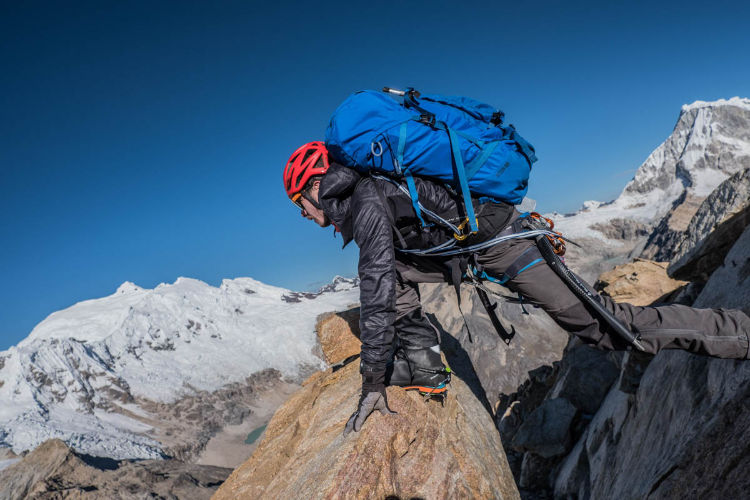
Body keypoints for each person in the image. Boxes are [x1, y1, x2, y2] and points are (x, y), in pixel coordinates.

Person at [283, 141, 750, 436]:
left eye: (300, 204)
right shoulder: (374, 190)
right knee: (398, 274)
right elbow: (395, 273)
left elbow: (377, 284)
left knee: (610, 327)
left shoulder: (366, 201)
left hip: (508, 246)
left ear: (314, 188)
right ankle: (425, 366)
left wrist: (371, 384)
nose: (304, 216)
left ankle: (740, 334)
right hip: (486, 247)